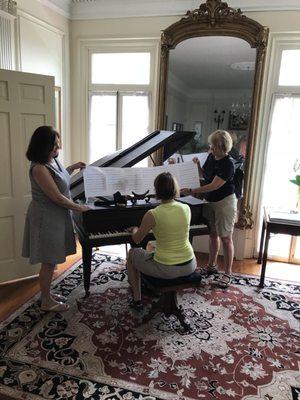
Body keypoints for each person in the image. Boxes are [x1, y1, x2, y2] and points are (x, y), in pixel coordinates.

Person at [22, 126, 89, 312]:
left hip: (56, 215)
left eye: (57, 145)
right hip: (46, 217)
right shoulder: (38, 168)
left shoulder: (52, 160)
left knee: (52, 258)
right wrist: (80, 208)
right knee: (49, 260)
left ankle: (47, 293)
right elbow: (57, 197)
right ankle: (45, 301)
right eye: (53, 146)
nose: (57, 149)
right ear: (43, 146)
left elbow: (60, 178)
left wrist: (72, 168)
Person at [126, 172, 196, 310]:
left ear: (156, 191)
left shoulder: (153, 213)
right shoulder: (186, 208)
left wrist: (135, 229)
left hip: (167, 269)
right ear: (175, 190)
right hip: (190, 264)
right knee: (152, 248)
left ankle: (137, 300)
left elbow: (137, 239)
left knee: (132, 253)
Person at [181, 129, 237, 288]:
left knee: (226, 238)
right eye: (211, 146)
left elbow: (212, 185)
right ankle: (212, 266)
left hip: (224, 202)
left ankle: (228, 273)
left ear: (222, 147)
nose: (210, 149)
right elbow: (205, 176)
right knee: (213, 234)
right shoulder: (212, 157)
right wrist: (198, 165)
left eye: (213, 146)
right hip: (209, 201)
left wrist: (191, 191)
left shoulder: (228, 164)